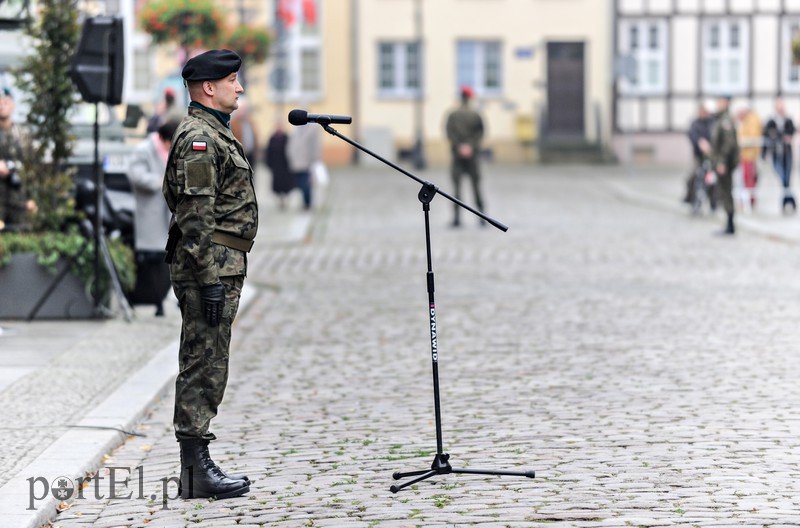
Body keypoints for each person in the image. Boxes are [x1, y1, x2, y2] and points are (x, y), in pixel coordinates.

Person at [162, 49, 257, 500]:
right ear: (208, 87)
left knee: (210, 360)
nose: (239, 88)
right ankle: (195, 468)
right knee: (203, 361)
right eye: (233, 80)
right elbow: (195, 217)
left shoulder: (214, 132)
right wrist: (208, 280)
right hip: (210, 267)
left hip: (222, 264)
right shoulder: (199, 138)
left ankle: (197, 465)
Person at [127, 119, 179, 316]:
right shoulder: (144, 150)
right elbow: (135, 174)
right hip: (150, 212)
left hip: (167, 212)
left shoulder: (168, 151)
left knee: (168, 257)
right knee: (152, 259)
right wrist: (159, 181)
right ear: (164, 139)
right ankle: (154, 299)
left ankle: (164, 298)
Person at [445, 85, 486, 227]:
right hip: (472, 156)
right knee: (476, 186)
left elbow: (449, 133)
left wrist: (459, 146)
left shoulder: (453, 115)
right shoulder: (475, 114)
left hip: (457, 155)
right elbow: (480, 133)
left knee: (457, 188)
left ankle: (457, 218)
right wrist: (470, 147)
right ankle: (482, 217)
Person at [0, 87, 36, 230]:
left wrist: (32, 197)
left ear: (13, 105)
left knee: (20, 235)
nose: (2, 105)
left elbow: (32, 166)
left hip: (18, 197)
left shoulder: (22, 134)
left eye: (5, 101)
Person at [710, 95, 740, 235]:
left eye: (720, 101)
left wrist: (722, 161)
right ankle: (728, 224)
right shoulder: (720, 118)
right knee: (724, 192)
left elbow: (729, 144)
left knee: (727, 192)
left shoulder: (726, 120)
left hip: (725, 164)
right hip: (721, 162)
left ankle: (730, 225)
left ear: (726, 103)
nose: (718, 104)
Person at [762, 98, 796, 213]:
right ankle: (790, 201)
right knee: (782, 178)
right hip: (776, 154)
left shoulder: (788, 120)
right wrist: (764, 154)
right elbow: (767, 136)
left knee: (787, 178)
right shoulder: (771, 121)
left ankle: (786, 202)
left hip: (787, 154)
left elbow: (791, 132)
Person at [684, 103, 715, 209]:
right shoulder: (695, 123)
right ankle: (689, 197)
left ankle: (714, 202)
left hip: (711, 156)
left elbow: (716, 136)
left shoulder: (712, 123)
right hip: (699, 156)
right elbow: (691, 134)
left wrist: (711, 146)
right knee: (693, 175)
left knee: (712, 179)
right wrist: (699, 142)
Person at [286, 122, 321, 210]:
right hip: (297, 162)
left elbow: (316, 145)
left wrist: (315, 159)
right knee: (300, 185)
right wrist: (290, 156)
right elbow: (291, 144)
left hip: (307, 162)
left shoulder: (313, 128)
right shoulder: (295, 128)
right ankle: (304, 202)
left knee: (306, 185)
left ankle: (307, 203)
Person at [736, 102, 762, 210]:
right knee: (746, 177)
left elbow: (752, 137)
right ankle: (747, 198)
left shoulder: (752, 120)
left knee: (749, 177)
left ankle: (750, 199)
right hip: (744, 154)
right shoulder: (745, 121)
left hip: (749, 154)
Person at [265, 123, 294, 209]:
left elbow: (292, 150)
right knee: (277, 184)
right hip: (276, 165)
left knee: (286, 184)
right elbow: (268, 152)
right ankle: (279, 199)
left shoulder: (287, 137)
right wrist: (269, 163)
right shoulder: (272, 138)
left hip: (285, 165)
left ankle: (285, 198)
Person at [230, 96, 259, 166]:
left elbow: (255, 137)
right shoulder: (233, 123)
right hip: (239, 155)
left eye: (245, 109)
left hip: (251, 155)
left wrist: (257, 151)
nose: (243, 111)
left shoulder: (251, 121)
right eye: (242, 109)